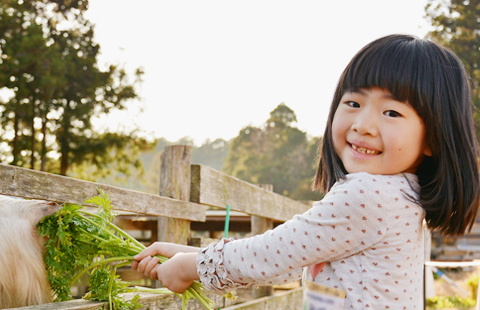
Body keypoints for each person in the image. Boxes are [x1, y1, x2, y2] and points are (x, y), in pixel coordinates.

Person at [131, 34, 480, 309]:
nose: (363, 125)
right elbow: (290, 257)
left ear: (433, 136)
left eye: (391, 113)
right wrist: (187, 255)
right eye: (353, 103)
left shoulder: (369, 196)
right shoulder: (402, 195)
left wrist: (188, 268)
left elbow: (269, 255)